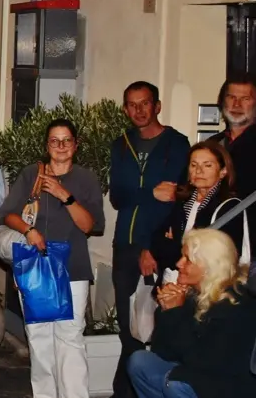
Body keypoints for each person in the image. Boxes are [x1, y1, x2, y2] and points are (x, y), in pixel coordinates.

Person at [0, 118, 105, 398]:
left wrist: (63, 195)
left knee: (70, 340)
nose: (60, 146)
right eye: (54, 141)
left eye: (66, 140)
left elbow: (89, 225)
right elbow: (7, 215)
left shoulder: (86, 179)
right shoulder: (31, 174)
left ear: (76, 145)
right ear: (47, 145)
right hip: (35, 266)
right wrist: (28, 230)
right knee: (40, 340)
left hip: (72, 270)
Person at [109, 81, 191, 396]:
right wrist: (149, 192)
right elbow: (118, 196)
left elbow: (177, 197)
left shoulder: (177, 144)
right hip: (124, 245)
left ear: (156, 105)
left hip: (160, 248)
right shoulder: (121, 145)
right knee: (128, 327)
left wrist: (151, 246)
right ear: (125, 109)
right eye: (132, 104)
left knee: (157, 328)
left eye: (145, 103)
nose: (139, 110)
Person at [126, 228, 256, 398]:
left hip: (230, 385)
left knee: (177, 383)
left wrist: (175, 312)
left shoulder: (235, 303)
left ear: (208, 267)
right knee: (140, 362)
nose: (179, 263)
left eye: (188, 259)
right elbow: (162, 352)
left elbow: (202, 362)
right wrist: (166, 311)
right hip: (199, 372)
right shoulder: (194, 295)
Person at [145, 142, 250, 281]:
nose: (199, 171)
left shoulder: (229, 207)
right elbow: (156, 243)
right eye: (194, 165)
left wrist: (173, 245)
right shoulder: (183, 201)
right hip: (172, 280)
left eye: (207, 165)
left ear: (223, 171)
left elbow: (216, 260)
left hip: (208, 287)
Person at [210, 73, 256, 198]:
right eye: (231, 97)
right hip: (215, 216)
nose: (237, 104)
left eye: (245, 99)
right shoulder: (213, 143)